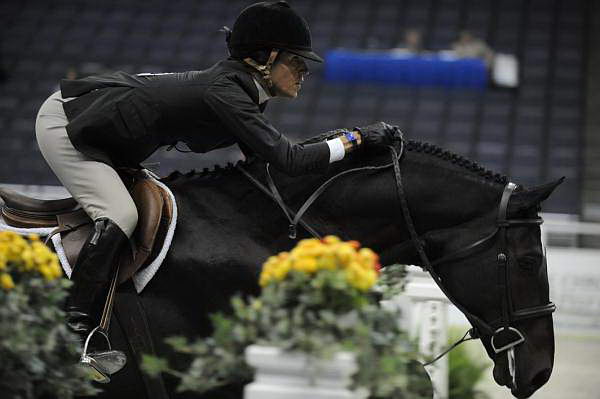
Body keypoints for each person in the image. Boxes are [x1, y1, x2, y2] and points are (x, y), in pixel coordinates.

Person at [34, 0, 400, 343]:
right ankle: (76, 325)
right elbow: (290, 159)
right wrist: (355, 139)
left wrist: (348, 147)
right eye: (296, 60)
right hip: (68, 125)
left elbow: (271, 164)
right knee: (120, 215)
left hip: (108, 134)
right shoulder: (225, 92)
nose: (304, 70)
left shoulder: (240, 92)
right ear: (266, 58)